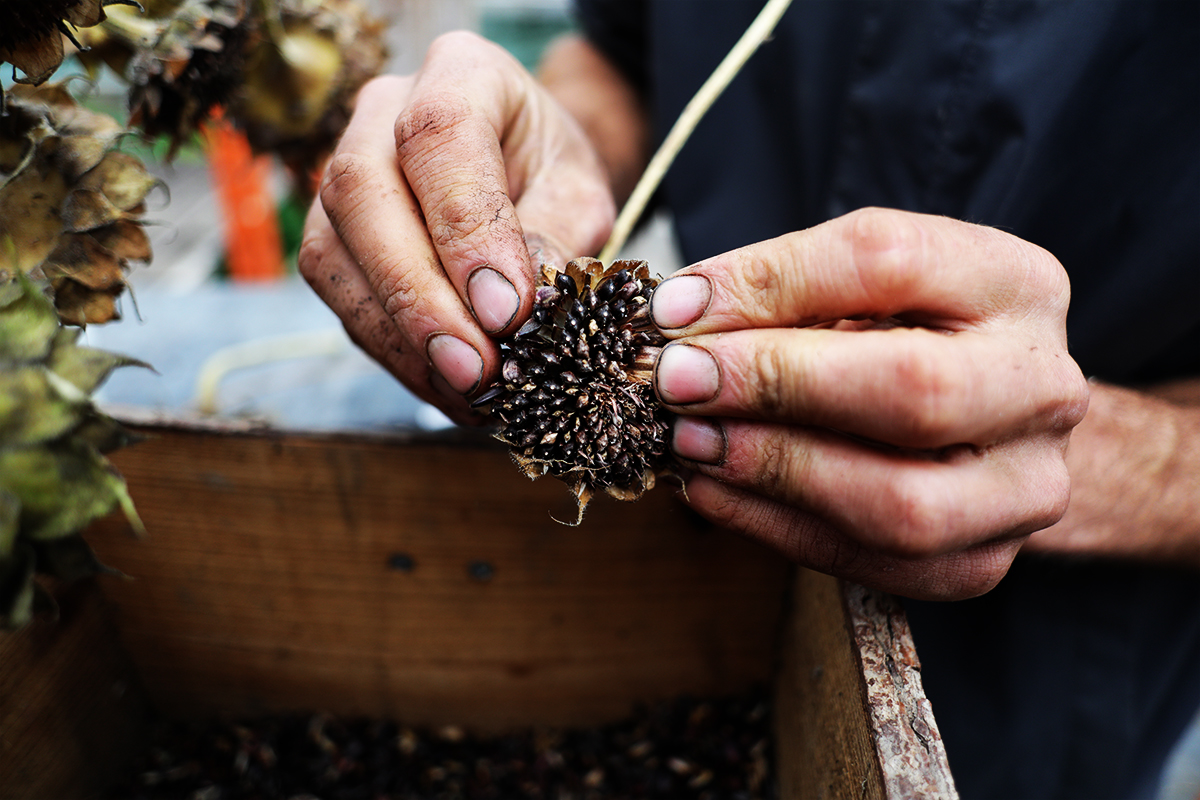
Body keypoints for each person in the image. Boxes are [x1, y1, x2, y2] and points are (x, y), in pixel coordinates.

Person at [298, 1, 1200, 797]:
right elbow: (619, 50)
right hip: (682, 555)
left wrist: (1111, 450)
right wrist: (549, 139)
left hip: (1047, 674)